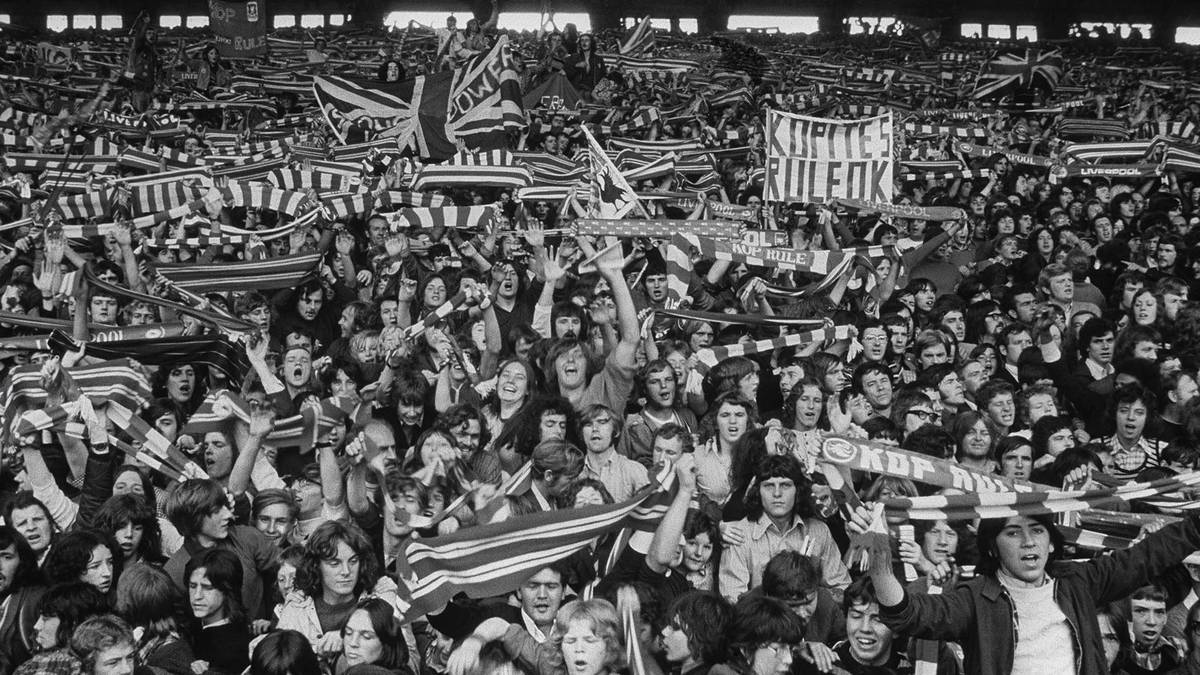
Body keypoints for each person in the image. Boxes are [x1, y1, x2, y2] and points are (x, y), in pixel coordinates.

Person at [855, 505, 1200, 675]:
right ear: (992, 547)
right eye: (1013, 533)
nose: (1028, 541)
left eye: (1037, 530)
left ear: (1052, 543)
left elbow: (1146, 558)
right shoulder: (975, 598)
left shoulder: (1078, 582)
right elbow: (908, 615)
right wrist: (881, 561)